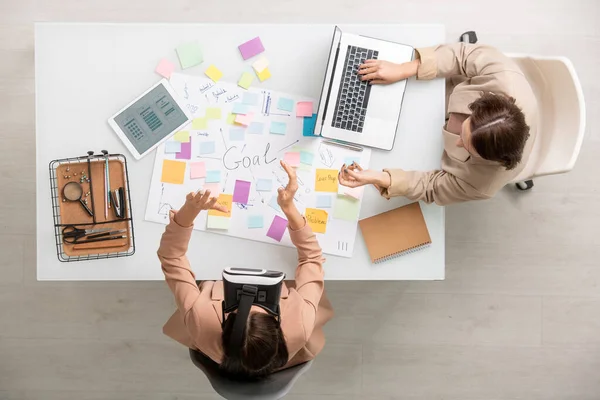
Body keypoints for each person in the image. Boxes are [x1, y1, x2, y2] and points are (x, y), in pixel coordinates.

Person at [157, 160, 333, 380]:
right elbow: (312, 258)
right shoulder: (299, 321)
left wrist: (188, 212)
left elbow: (171, 257)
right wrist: (290, 209)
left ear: (224, 324)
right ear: (279, 324)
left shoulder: (202, 319)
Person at [338, 43, 538, 205]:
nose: (458, 142)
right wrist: (402, 69)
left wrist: (380, 178)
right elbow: (461, 56)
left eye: (467, 147)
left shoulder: (483, 184)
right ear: (480, 104)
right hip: (435, 94)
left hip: (424, 150)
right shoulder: (503, 75)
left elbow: (432, 187)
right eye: (465, 127)